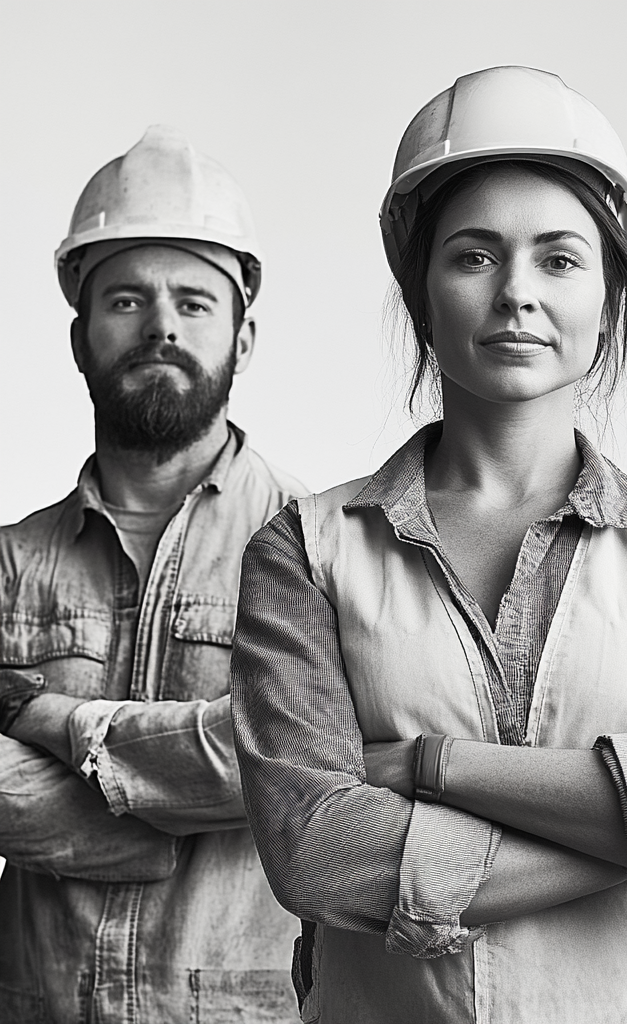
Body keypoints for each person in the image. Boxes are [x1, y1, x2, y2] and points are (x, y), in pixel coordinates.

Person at [231, 66, 627, 1024]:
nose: (517, 294)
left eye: (560, 260)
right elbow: (317, 853)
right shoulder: (305, 550)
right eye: (475, 256)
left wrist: (424, 768)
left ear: (610, 297)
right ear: (421, 294)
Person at [0, 126, 304, 1022]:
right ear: (80, 338)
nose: (162, 326)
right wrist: (158, 811)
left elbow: (276, 765)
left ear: (243, 339)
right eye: (127, 300)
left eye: (194, 303)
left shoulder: (320, 548)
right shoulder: (10, 565)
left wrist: (49, 724)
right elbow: (231, 771)